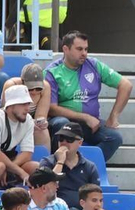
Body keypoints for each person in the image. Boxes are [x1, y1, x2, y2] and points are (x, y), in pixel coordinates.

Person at [45, 31, 127, 162]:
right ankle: (60, 164)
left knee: (114, 138)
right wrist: (85, 117)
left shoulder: (94, 65)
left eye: (86, 49)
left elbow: (125, 85)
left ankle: (84, 167)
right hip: (64, 122)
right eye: (79, 49)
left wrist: (113, 116)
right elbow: (51, 108)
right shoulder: (52, 72)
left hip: (89, 125)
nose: (84, 53)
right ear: (65, 49)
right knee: (61, 124)